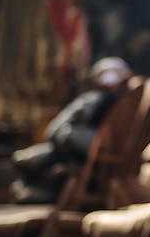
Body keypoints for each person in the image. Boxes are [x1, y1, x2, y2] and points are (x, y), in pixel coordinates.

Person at [10, 57, 133, 204]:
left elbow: (55, 131)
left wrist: (66, 136)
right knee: (25, 162)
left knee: (29, 161)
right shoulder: (104, 101)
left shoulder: (104, 101)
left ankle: (35, 199)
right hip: (75, 152)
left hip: (89, 156)